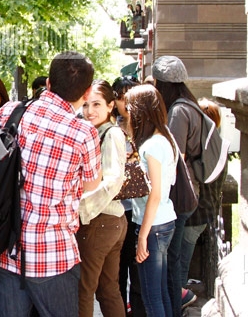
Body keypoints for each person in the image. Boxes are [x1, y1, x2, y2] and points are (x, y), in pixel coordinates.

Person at [0, 51, 102, 317]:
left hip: (5, 250)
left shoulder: (13, 112)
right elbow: (92, 184)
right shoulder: (84, 133)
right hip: (54, 255)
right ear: (88, 92)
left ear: (48, 84)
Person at [150, 56, 200, 317]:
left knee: (170, 261)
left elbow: (174, 156)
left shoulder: (179, 111)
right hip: (185, 192)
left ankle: (173, 308)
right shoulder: (189, 105)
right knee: (172, 257)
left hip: (178, 195)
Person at [125, 84, 178, 317]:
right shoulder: (164, 138)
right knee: (160, 293)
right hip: (165, 222)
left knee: (151, 297)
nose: (127, 114)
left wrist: (143, 236)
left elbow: (155, 194)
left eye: (129, 109)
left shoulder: (153, 145)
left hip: (153, 226)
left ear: (140, 111)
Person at [78, 80, 128, 317]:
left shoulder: (111, 133)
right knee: (108, 289)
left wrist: (82, 208)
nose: (90, 111)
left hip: (100, 220)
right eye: (86, 104)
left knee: (84, 290)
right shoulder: (97, 131)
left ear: (110, 106)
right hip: (113, 220)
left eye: (96, 104)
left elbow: (113, 179)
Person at [178, 100, 226, 309]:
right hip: (204, 212)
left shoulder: (203, 150)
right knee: (181, 259)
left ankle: (179, 299)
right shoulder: (217, 147)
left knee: (181, 262)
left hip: (194, 212)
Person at [111, 76, 143, 317]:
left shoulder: (148, 129)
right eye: (122, 98)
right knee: (117, 273)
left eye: (131, 97)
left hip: (142, 212)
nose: (127, 104)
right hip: (117, 211)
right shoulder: (111, 129)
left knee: (139, 272)